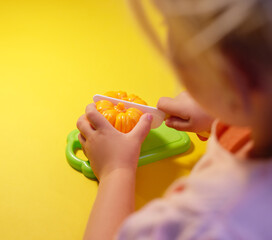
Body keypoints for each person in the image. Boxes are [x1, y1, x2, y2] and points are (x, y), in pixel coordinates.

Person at [76, 0, 272, 239]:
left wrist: (116, 171)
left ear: (230, 76)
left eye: (169, 26)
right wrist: (222, 114)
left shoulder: (204, 223)